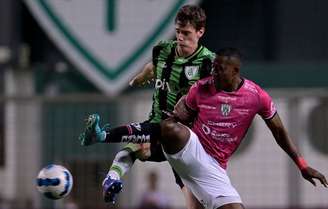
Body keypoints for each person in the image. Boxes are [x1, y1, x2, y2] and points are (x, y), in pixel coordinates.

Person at [79, 48, 328, 209]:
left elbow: (279, 132)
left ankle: (123, 156)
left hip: (214, 169)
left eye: (220, 69)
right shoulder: (200, 87)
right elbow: (172, 120)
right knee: (165, 130)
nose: (214, 72)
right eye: (213, 67)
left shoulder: (256, 96)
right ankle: (105, 143)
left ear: (236, 71)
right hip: (191, 149)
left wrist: (303, 166)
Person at [79, 4, 215, 207]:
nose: (180, 37)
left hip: (186, 139)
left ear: (200, 32)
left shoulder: (208, 62)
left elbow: (217, 98)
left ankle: (105, 150)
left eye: (186, 33)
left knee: (194, 203)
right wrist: (139, 79)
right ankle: (110, 172)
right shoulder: (162, 50)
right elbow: (153, 67)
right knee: (138, 145)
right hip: (159, 124)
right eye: (178, 32)